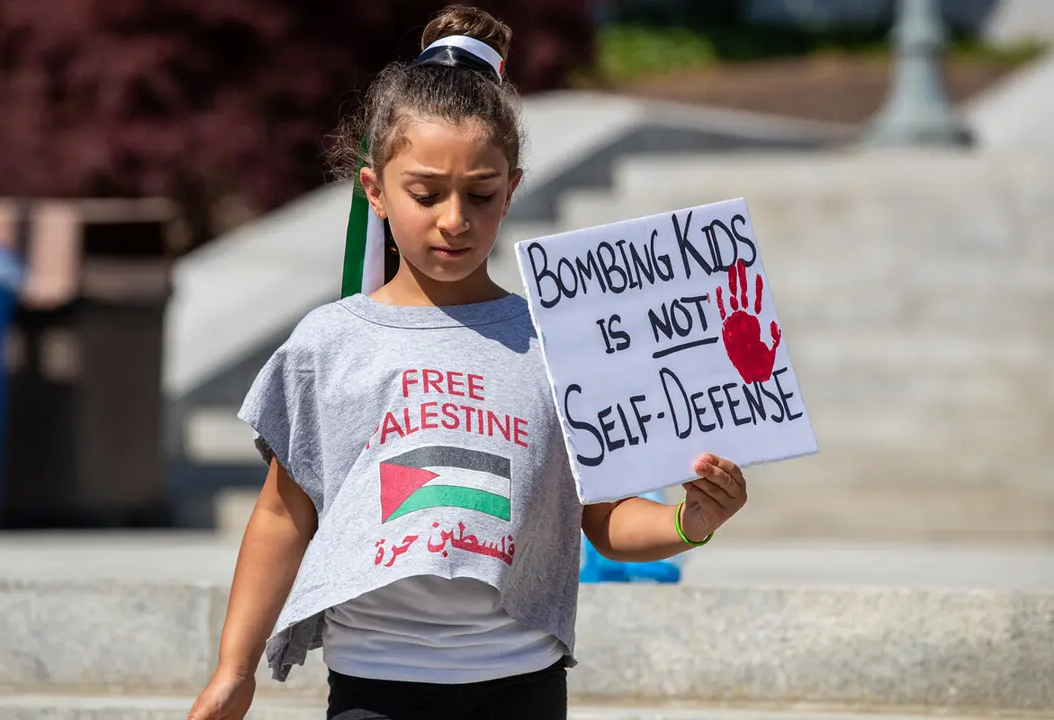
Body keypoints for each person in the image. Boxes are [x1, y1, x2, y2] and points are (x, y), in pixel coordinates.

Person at [186, 6, 748, 720]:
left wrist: (691, 521)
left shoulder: (557, 342)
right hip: (373, 686)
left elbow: (604, 518)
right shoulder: (329, 343)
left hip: (521, 686)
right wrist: (235, 670)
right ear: (374, 191)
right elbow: (280, 515)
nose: (454, 219)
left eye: (480, 195)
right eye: (425, 193)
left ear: (512, 190)